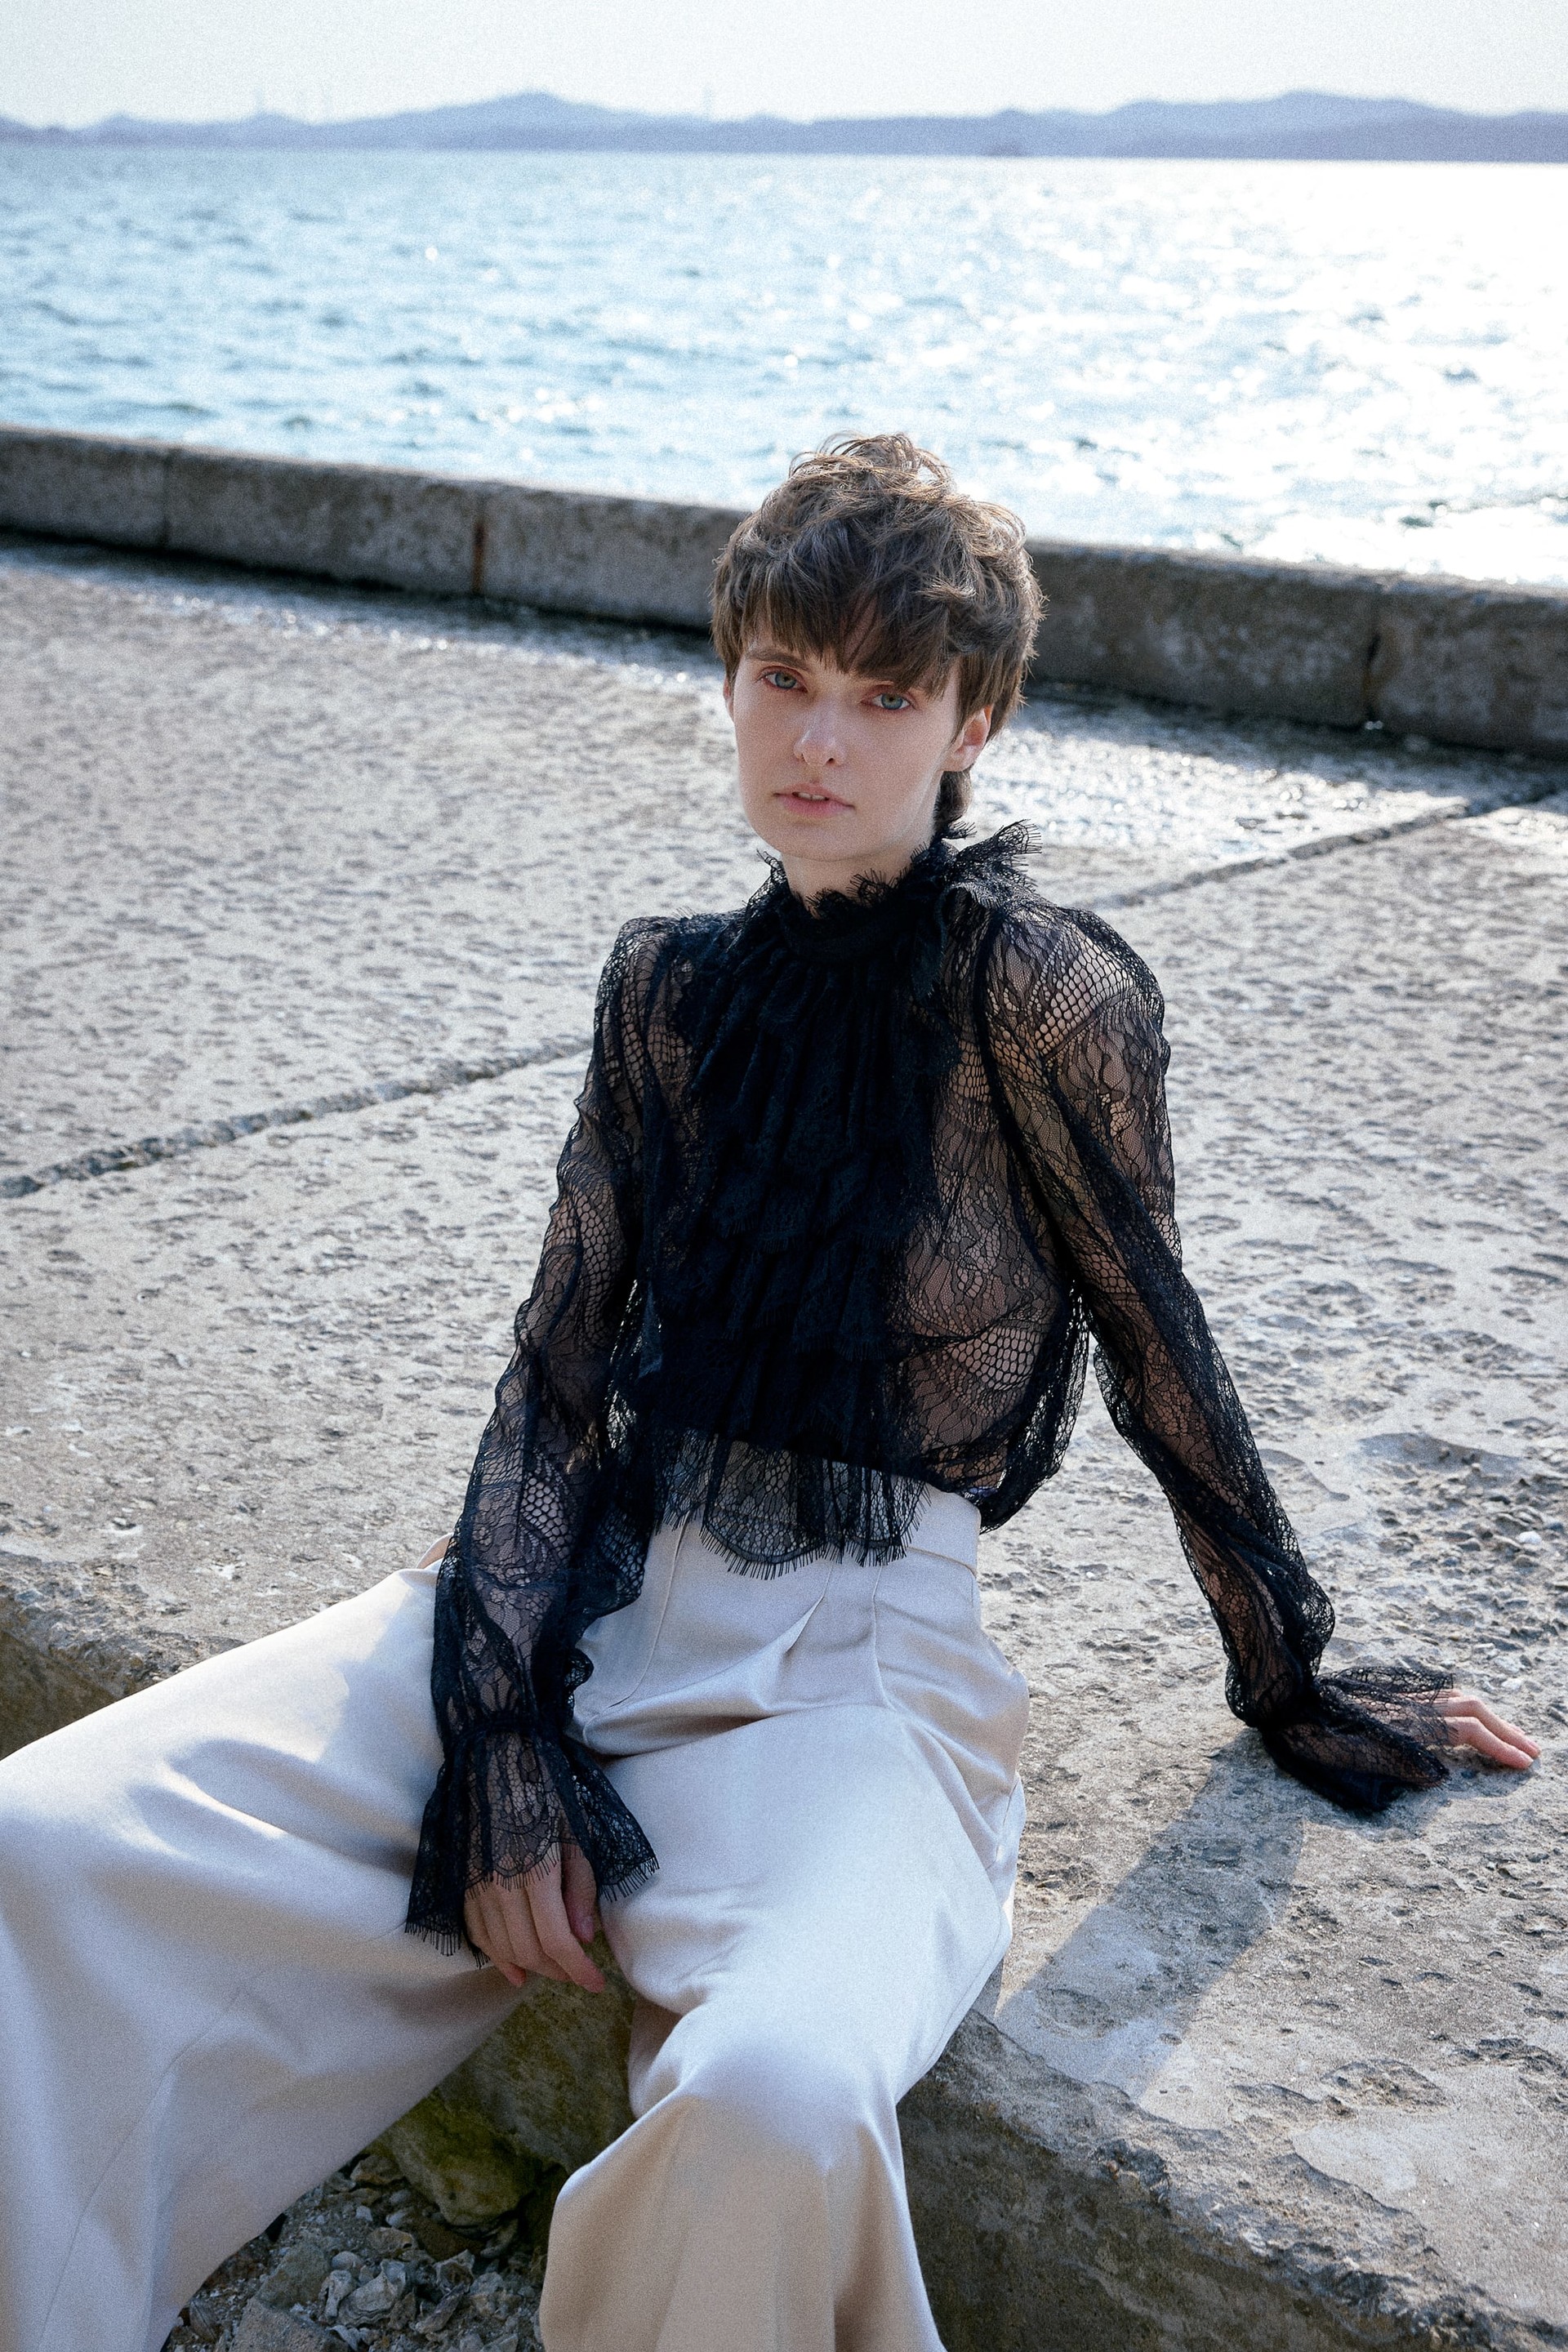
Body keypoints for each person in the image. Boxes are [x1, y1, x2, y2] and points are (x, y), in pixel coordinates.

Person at [0, 436, 1536, 2352]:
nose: (821, 738)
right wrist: (501, 1726)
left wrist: (1287, 1670)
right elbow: (560, 1372)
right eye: (785, 677)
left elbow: (1159, 1338)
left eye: (887, 696)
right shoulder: (664, 988)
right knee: (43, 1843)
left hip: (857, 1666)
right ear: (729, 677)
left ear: (975, 721)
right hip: (574, 1590)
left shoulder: (1044, 997)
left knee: (776, 2097)